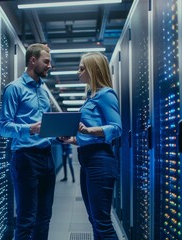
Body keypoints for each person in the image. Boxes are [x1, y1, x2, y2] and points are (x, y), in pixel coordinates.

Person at [60, 52, 122, 240]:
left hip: (100, 161)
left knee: (102, 223)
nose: (78, 71)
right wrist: (73, 140)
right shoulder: (91, 97)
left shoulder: (106, 95)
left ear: (93, 70)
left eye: (81, 68)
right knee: (94, 219)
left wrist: (88, 130)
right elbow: (89, 136)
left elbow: (116, 128)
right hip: (88, 160)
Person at [0, 43, 55, 240]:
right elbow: (4, 127)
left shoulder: (43, 91)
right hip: (25, 159)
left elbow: (45, 128)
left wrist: (58, 135)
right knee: (26, 220)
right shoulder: (14, 89)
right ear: (33, 60)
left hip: (47, 158)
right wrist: (29, 129)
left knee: (44, 218)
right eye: (46, 61)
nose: (50, 66)